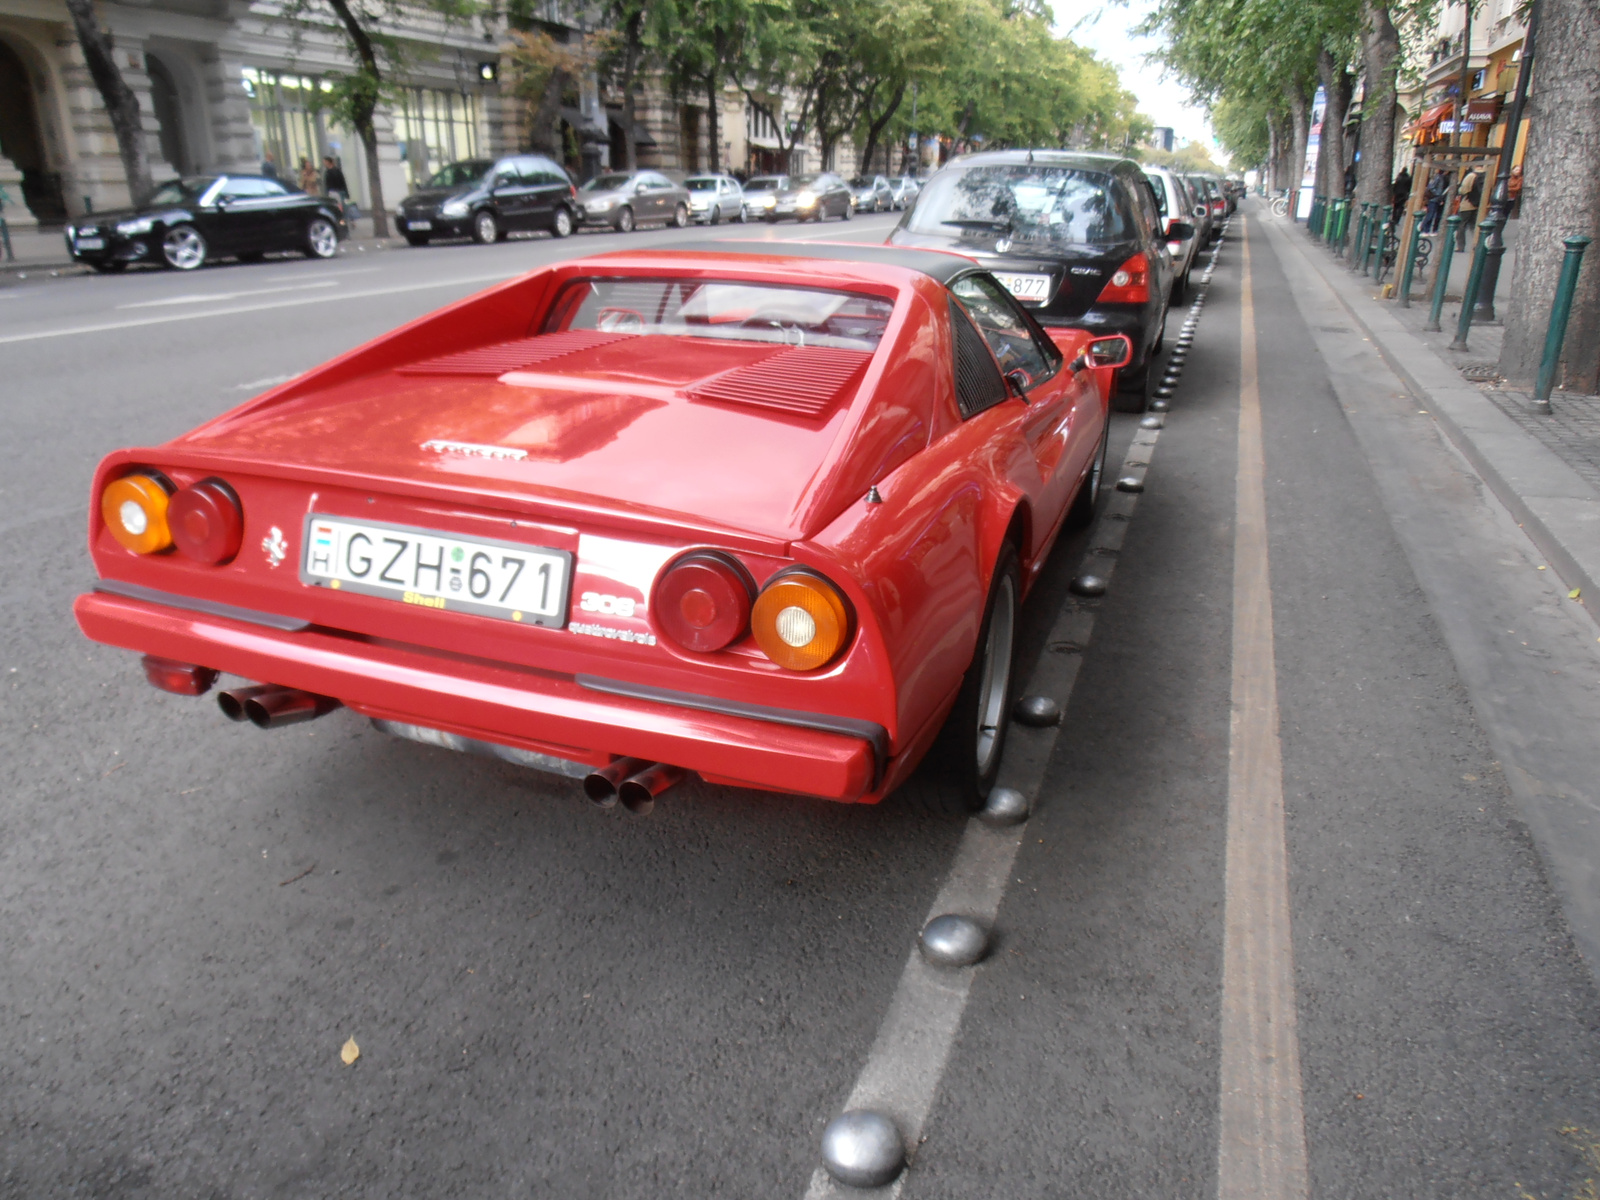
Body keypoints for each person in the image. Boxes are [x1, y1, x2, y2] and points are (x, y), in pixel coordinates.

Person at [1455, 166, 1484, 250]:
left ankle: (1460, 246)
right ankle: (1477, 244)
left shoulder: (1471, 176)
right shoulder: (1486, 175)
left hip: (1467, 203)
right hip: (1479, 204)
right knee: (1474, 225)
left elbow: (1463, 190)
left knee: (1461, 225)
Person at [1421, 168, 1449, 233]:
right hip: (1434, 198)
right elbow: (1431, 187)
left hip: (1436, 199)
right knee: (1430, 215)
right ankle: (1423, 228)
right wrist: (1437, 194)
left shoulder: (1440, 177)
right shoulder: (1438, 177)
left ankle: (1426, 230)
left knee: (1431, 215)